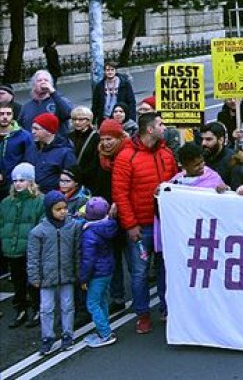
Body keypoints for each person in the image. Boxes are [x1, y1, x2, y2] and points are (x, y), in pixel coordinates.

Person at [111, 111, 177, 335]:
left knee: (165, 268)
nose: (164, 127)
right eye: (161, 124)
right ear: (150, 130)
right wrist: (130, 225)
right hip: (141, 226)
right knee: (139, 272)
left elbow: (176, 186)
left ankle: (167, 309)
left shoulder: (167, 154)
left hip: (164, 225)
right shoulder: (126, 157)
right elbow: (120, 193)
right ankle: (142, 314)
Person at [27, 190, 82, 355]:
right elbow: (33, 258)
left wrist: (78, 272)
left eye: (64, 208)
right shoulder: (38, 232)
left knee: (67, 306)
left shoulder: (73, 226)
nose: (63, 212)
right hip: (46, 276)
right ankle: (47, 337)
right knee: (46, 308)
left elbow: (77, 251)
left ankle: (67, 335)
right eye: (58, 209)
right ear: (49, 210)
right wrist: (34, 277)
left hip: (67, 274)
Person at [2, 162, 42, 329]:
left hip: (30, 250)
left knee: (32, 281)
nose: (18, 184)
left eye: (22, 180)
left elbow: (41, 225)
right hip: (12, 249)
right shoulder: (6, 202)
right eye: (16, 180)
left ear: (31, 182)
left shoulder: (39, 201)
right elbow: (2, 223)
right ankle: (21, 309)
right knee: (18, 282)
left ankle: (37, 309)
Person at [79, 196, 119, 348]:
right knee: (102, 299)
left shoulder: (89, 233)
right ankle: (105, 328)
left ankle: (105, 333)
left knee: (92, 303)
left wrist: (83, 278)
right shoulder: (109, 225)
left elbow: (87, 260)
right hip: (107, 270)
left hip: (96, 274)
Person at [28, 113, 77, 195]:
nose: (33, 132)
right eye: (32, 128)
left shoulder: (65, 153)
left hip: (53, 199)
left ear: (49, 131)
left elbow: (71, 181)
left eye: (36, 129)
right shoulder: (33, 148)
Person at [19, 70, 73, 137]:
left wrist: (53, 93)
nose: (43, 82)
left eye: (46, 80)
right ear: (34, 85)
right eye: (39, 81)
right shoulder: (26, 107)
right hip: (33, 145)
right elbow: (21, 128)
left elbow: (69, 114)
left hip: (56, 145)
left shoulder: (59, 100)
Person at [0, 102, 35, 197]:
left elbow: (29, 162)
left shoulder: (24, 136)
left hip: (15, 185)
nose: (5, 117)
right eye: (1, 114)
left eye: (8, 114)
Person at [91, 62, 136, 126]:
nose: (110, 72)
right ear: (104, 71)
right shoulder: (100, 86)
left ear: (116, 71)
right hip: (104, 118)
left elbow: (131, 103)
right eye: (107, 70)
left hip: (120, 118)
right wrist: (92, 121)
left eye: (112, 70)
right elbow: (95, 105)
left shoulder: (124, 84)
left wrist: (132, 120)